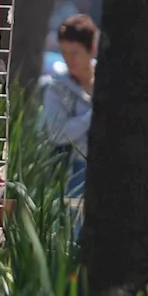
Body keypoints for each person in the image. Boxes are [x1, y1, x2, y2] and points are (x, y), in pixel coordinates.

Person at [40, 13, 96, 198]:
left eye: (74, 53)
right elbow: (57, 133)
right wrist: (93, 115)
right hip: (75, 172)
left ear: (92, 49)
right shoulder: (56, 88)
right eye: (64, 52)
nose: (68, 59)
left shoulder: (110, 82)